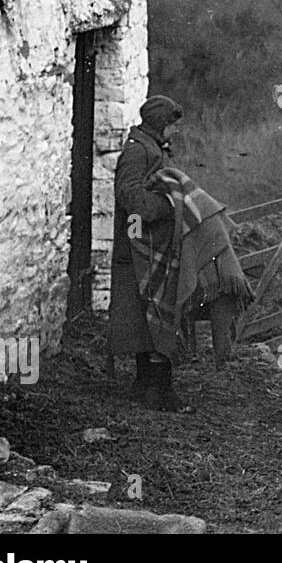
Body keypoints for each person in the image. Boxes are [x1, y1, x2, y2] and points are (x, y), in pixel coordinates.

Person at [109, 95, 184, 409]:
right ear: (159, 124)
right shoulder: (138, 151)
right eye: (171, 124)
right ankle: (158, 393)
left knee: (148, 317)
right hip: (139, 248)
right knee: (150, 317)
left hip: (151, 247)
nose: (175, 131)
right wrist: (168, 206)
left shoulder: (152, 148)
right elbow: (130, 195)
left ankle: (147, 387)